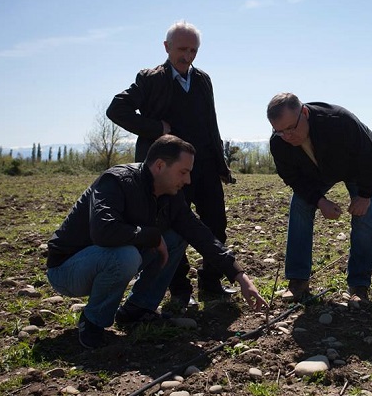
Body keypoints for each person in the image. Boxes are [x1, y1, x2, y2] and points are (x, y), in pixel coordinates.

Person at [46, 135, 267, 349]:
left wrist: (240, 276)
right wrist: (151, 235)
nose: (188, 180)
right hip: (68, 269)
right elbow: (104, 231)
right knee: (127, 256)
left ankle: (138, 309)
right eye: (183, 172)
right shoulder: (116, 181)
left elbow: (200, 234)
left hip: (107, 260)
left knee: (177, 236)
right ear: (160, 166)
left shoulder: (170, 196)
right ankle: (93, 321)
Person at [106, 21, 234, 309]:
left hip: (205, 166)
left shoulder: (203, 79)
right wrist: (155, 128)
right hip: (167, 172)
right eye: (181, 49)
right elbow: (116, 109)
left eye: (193, 50)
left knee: (217, 225)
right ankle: (180, 291)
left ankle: (211, 284)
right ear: (166, 47)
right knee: (173, 228)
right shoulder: (150, 79)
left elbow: (210, 122)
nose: (187, 56)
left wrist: (220, 161)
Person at [266, 92, 372, 305]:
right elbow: (294, 179)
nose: (287, 136)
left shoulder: (339, 121)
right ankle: (298, 281)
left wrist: (364, 196)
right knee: (300, 204)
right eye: (279, 131)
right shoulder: (280, 142)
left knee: (363, 216)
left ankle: (359, 285)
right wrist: (320, 201)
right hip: (317, 172)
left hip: (355, 168)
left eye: (291, 128)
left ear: (304, 112)